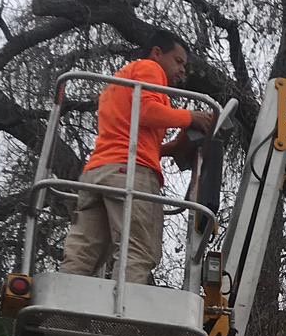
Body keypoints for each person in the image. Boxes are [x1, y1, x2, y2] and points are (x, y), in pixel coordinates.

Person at [59, 30, 214, 285]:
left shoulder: (118, 83)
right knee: (138, 249)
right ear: (157, 53)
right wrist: (191, 117)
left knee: (84, 252)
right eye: (178, 61)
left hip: (98, 173)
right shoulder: (150, 69)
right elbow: (146, 111)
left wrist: (172, 147)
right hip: (129, 175)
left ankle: (63, 300)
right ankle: (125, 306)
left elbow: (130, 138)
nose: (182, 70)